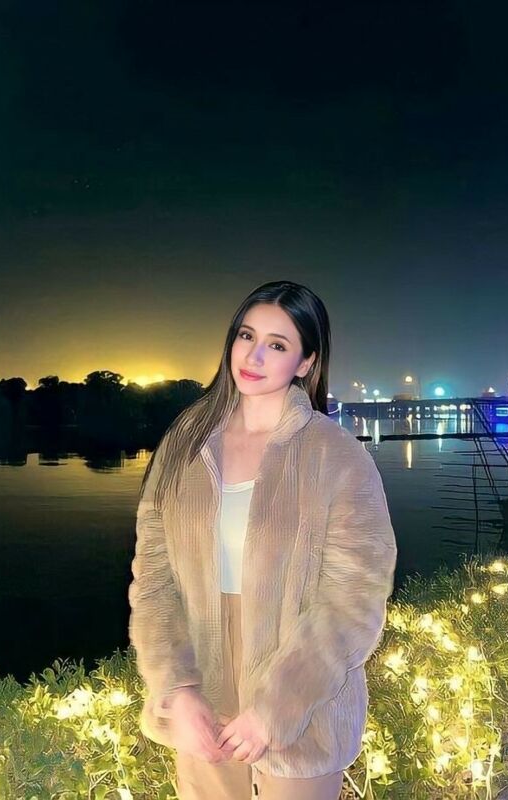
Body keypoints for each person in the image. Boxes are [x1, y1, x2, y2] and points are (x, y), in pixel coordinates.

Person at [128, 280, 397, 800]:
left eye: (277, 344)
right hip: (203, 686)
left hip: (304, 694)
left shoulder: (335, 454)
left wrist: (279, 706)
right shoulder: (185, 443)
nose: (253, 356)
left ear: (305, 362)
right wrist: (176, 687)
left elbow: (354, 598)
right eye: (247, 336)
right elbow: (153, 579)